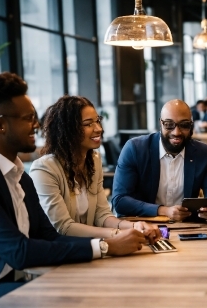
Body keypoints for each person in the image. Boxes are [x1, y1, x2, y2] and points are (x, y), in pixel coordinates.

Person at [0, 73, 144, 307]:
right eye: (28, 118)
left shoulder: (18, 174)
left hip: (19, 279)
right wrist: (105, 246)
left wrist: (111, 244)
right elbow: (18, 252)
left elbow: (50, 236)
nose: (37, 124)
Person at [30, 95, 160, 239]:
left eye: (97, 121)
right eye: (88, 124)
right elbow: (63, 227)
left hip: (91, 249)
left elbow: (102, 215)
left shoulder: (93, 160)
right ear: (68, 130)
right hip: (59, 254)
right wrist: (117, 234)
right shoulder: (44, 169)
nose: (98, 128)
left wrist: (134, 226)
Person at [112, 99, 207, 222]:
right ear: (161, 124)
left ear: (191, 125)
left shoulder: (203, 153)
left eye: (184, 125)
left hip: (186, 228)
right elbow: (120, 200)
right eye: (169, 124)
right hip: (143, 225)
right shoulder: (135, 149)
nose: (176, 132)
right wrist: (164, 211)